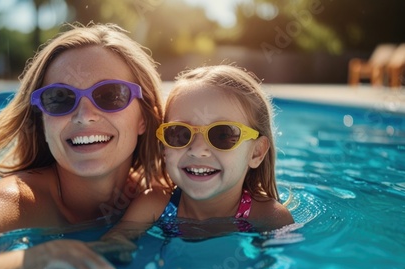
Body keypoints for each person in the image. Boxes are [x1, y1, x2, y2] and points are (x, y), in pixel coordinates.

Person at [0, 22, 172, 269]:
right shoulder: (11, 203)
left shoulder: (158, 194)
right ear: (41, 121)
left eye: (110, 95)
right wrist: (41, 257)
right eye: (60, 98)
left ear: (143, 117)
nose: (84, 116)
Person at [109, 64, 294, 241]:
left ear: (256, 153)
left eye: (222, 134)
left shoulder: (269, 218)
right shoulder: (153, 206)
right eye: (179, 134)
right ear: (163, 147)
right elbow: (112, 246)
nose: (197, 150)